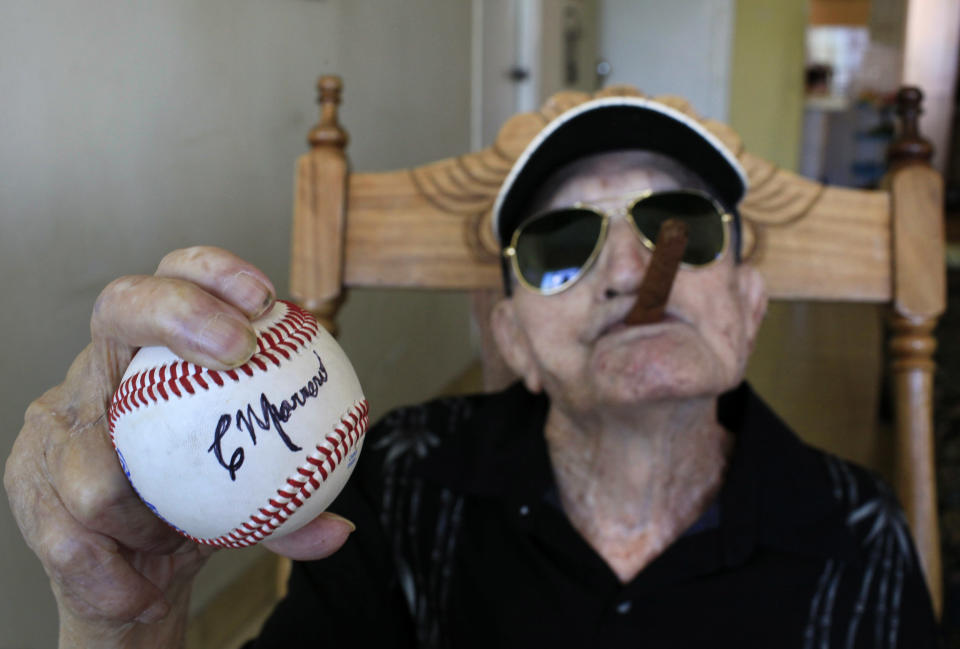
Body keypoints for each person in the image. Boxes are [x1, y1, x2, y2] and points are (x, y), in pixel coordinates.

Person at [5, 97, 938, 648]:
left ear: (751, 306)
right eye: (562, 243)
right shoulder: (403, 483)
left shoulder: (857, 531)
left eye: (677, 223)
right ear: (514, 337)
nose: (626, 267)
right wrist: (126, 629)